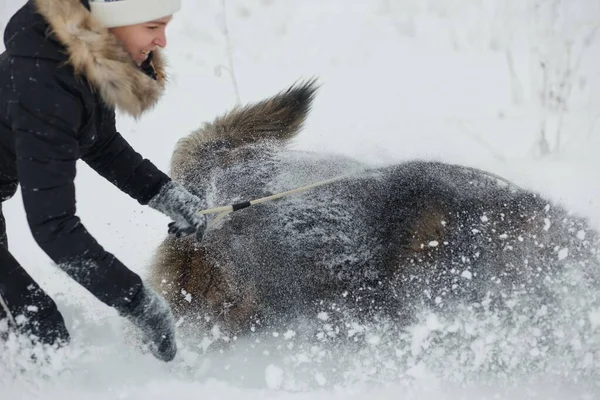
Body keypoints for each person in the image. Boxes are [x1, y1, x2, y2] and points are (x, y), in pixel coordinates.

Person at [0, 0, 209, 362]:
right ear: (116, 19)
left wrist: (165, 195)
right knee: (36, 328)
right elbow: (54, 226)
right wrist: (138, 302)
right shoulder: (46, 84)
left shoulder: (79, 60)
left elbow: (99, 142)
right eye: (152, 26)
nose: (162, 41)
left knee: (29, 326)